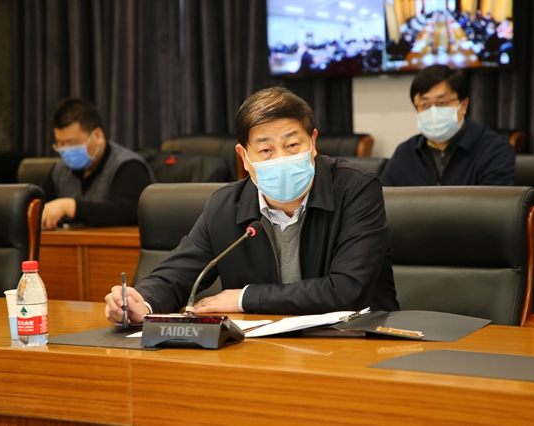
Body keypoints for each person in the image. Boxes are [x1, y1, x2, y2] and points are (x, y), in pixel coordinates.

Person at [105, 86, 399, 323]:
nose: (281, 158)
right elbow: (177, 274)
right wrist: (141, 301)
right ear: (244, 157)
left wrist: (245, 298)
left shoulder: (355, 187)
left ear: (313, 142)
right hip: (263, 350)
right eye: (265, 150)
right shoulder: (226, 205)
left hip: (357, 342)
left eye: (292, 145)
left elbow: (347, 289)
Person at [380, 65, 515, 186]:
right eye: (424, 104)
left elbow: (494, 204)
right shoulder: (405, 153)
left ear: (464, 105)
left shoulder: (495, 150)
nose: (433, 111)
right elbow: (382, 199)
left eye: (442, 102)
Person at [41, 98, 154, 229]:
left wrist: (70, 207)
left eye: (72, 143)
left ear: (98, 135)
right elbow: (39, 207)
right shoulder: (60, 170)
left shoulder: (129, 166)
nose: (67, 150)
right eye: (61, 144)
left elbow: (127, 213)